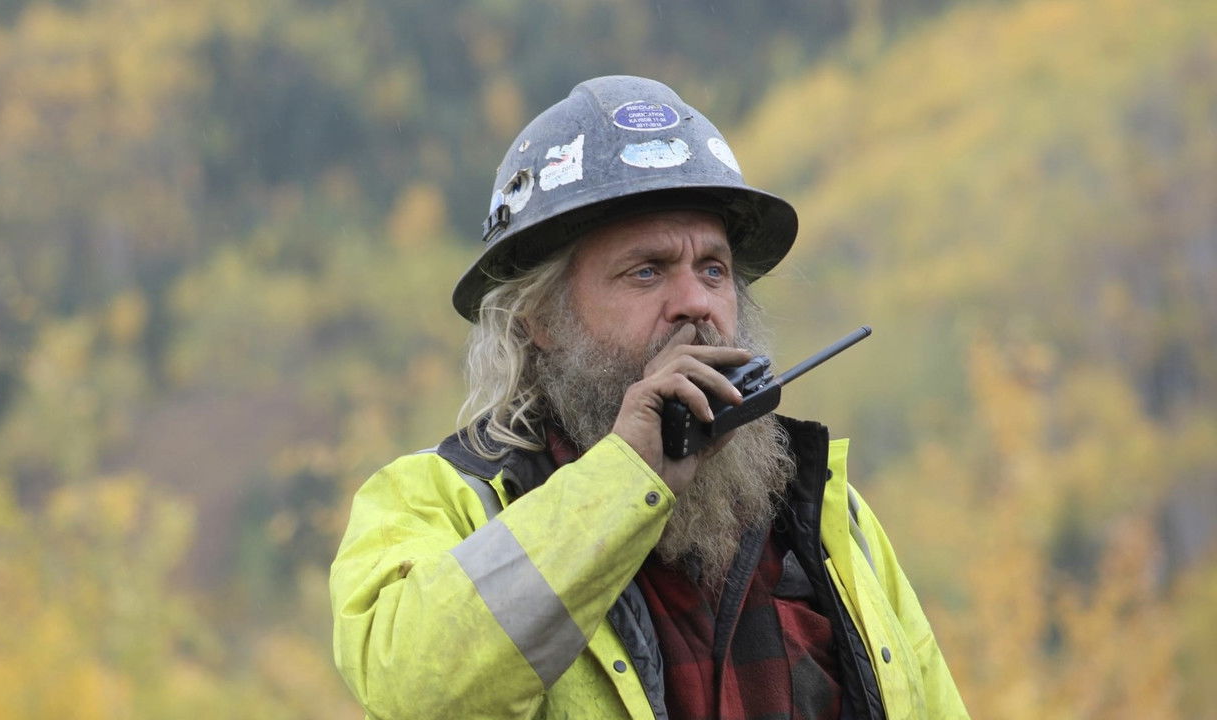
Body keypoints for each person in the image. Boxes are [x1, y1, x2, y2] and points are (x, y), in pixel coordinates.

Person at [330, 75, 968, 720]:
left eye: (713, 269)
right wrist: (624, 479)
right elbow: (416, 692)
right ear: (540, 318)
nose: (695, 302)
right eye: (646, 271)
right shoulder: (444, 499)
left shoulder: (822, 511)